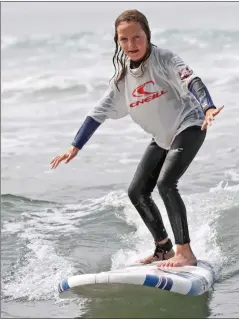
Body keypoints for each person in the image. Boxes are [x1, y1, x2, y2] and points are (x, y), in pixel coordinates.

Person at [50, 9, 224, 267]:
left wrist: (208, 106)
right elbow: (99, 111)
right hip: (163, 136)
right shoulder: (123, 77)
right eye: (124, 39)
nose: (131, 44)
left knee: (166, 184)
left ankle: (185, 252)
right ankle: (163, 248)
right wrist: (75, 145)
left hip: (190, 124)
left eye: (137, 37)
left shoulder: (164, 59)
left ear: (147, 35)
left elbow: (192, 80)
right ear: (117, 41)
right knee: (137, 192)